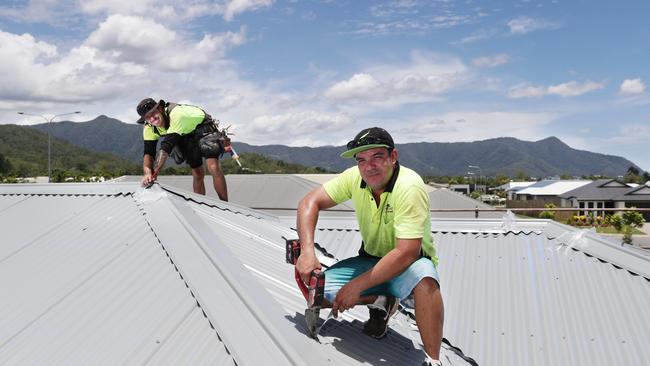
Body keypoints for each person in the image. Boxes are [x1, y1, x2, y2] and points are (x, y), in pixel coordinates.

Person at [296, 127, 444, 366]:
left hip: (409, 266)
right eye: (361, 160)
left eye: (377, 157)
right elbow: (309, 202)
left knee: (426, 279)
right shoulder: (355, 177)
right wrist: (307, 250)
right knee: (317, 289)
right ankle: (381, 300)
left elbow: (406, 252)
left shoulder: (409, 186)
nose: (368, 166)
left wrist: (357, 286)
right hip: (372, 261)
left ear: (393, 157)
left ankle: (433, 360)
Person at [136, 98, 228, 201]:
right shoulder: (149, 128)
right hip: (184, 134)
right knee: (197, 172)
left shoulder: (176, 114)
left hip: (202, 126)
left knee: (213, 167)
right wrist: (147, 172)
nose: (152, 118)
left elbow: (166, 147)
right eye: (147, 117)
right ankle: (199, 204)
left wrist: (154, 174)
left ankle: (226, 204)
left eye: (153, 113)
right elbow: (148, 152)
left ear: (160, 108)